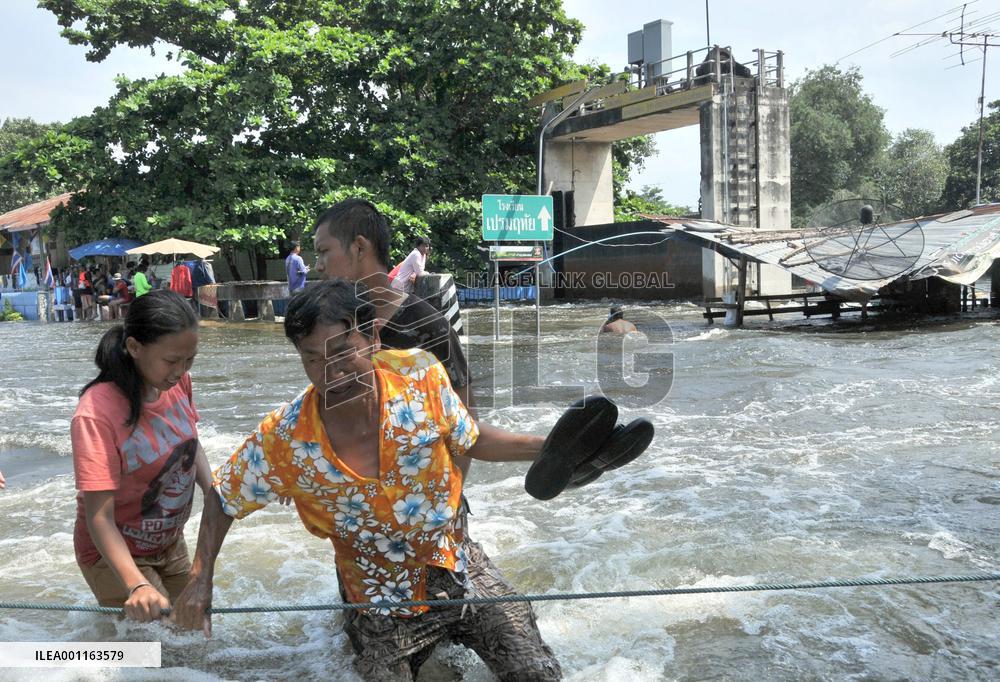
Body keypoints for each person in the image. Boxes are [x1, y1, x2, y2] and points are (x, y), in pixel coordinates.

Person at [174, 280, 562, 681]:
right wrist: (200, 580)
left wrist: (549, 446)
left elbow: (471, 436)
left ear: (373, 336)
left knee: (538, 675)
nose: (333, 374)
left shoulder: (421, 375)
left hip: (458, 562)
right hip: (379, 598)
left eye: (343, 353)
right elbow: (223, 497)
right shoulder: (286, 439)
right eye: (313, 360)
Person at [71, 289, 211, 623]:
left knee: (195, 630)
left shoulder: (176, 382)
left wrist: (213, 486)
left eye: (189, 359)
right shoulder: (96, 414)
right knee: (149, 651)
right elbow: (99, 518)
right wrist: (136, 585)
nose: (181, 371)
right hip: (113, 554)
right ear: (134, 348)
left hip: (167, 543)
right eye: (171, 361)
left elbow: (190, 442)